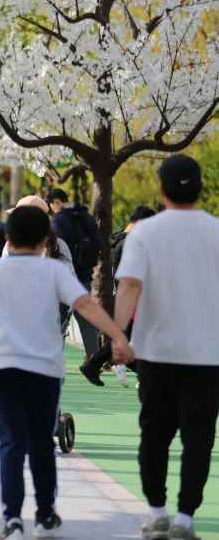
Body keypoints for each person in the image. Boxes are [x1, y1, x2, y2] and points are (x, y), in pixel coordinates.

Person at [0, 205, 132, 540]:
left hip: (4, 369)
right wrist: (117, 335)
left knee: (10, 443)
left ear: (8, 237)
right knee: (42, 442)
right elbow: (85, 305)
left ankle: (12, 519)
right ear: (46, 240)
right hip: (44, 370)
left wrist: (5, 327)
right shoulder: (55, 271)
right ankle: (44, 516)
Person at [114, 155, 219, 540]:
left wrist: (119, 335)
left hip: (156, 351)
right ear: (200, 187)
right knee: (199, 439)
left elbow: (129, 286)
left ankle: (157, 513)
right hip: (207, 354)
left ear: (161, 190)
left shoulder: (144, 233)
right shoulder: (216, 231)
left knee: (154, 434)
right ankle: (185, 519)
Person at [79, 205, 156, 386]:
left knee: (124, 337)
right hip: (129, 297)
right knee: (124, 337)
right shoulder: (129, 242)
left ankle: (94, 365)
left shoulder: (118, 239)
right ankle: (94, 365)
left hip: (122, 294)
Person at [48, 188, 103, 356]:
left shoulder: (58, 221)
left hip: (63, 277)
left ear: (56, 202)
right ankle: (94, 357)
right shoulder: (86, 217)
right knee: (86, 318)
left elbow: (54, 248)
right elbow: (97, 243)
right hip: (84, 275)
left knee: (58, 318)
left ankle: (53, 355)